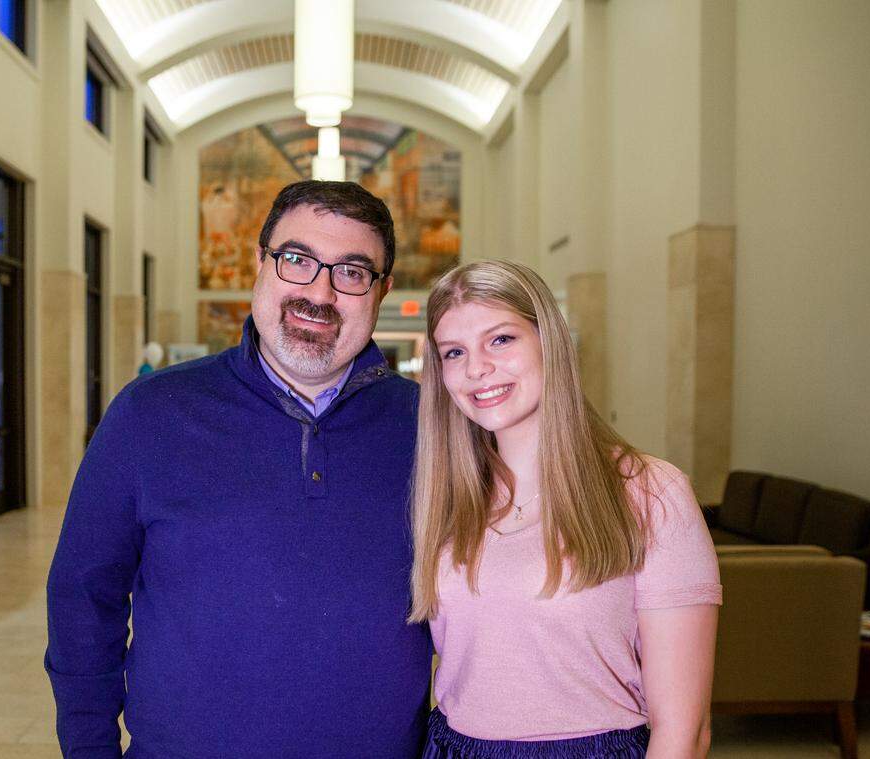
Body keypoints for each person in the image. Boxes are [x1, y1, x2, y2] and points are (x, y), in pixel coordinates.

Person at [45, 180, 433, 758]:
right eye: (297, 260)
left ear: (381, 292)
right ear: (259, 263)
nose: (320, 292)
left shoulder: (431, 427)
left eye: (352, 272)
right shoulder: (151, 413)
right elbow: (83, 597)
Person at [410, 260, 721, 758]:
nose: (476, 368)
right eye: (454, 352)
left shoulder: (650, 492)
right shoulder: (447, 497)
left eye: (501, 339)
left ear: (548, 342)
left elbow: (684, 731)